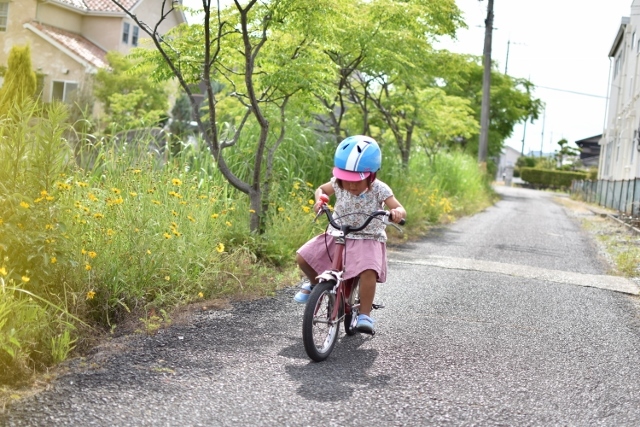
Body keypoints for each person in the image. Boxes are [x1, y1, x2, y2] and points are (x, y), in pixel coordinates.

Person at [293, 135, 406, 334]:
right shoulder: (338, 183)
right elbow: (321, 189)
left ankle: (364, 314)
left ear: (371, 175)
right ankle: (314, 285)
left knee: (368, 271)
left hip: (367, 237)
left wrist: (397, 213)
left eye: (357, 181)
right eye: (347, 180)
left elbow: (398, 207)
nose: (351, 185)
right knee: (303, 257)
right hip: (338, 234)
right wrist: (321, 199)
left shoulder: (380, 189)